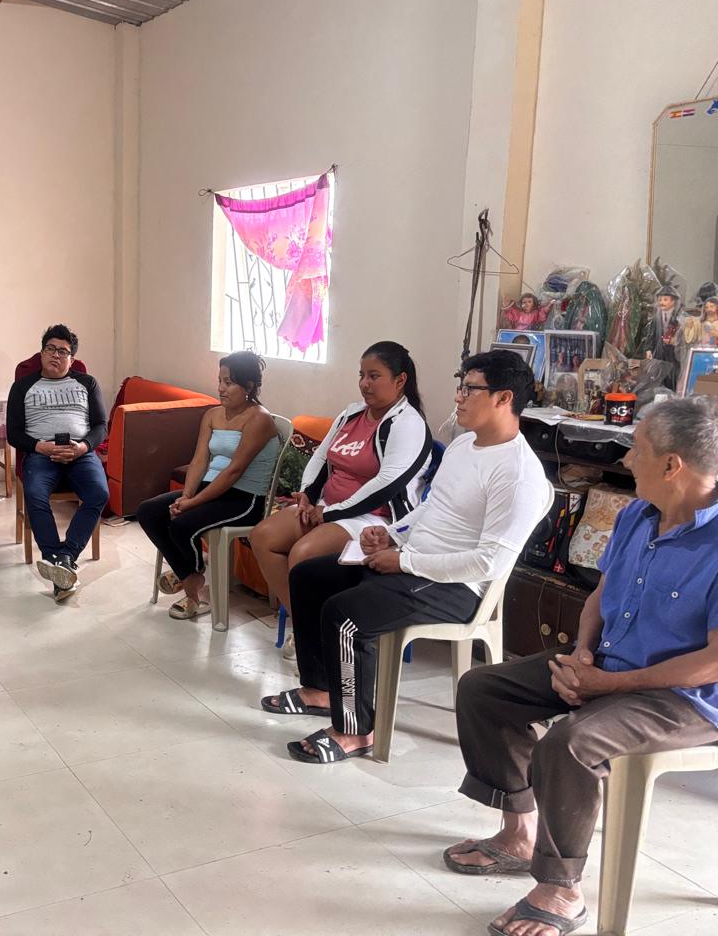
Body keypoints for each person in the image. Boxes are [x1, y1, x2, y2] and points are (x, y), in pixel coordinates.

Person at [442, 395, 718, 936]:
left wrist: (608, 683)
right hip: (610, 663)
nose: (626, 460)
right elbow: (601, 595)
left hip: (686, 698)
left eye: (636, 450)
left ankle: (561, 889)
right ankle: (518, 835)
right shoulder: (637, 515)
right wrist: (583, 654)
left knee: (569, 742)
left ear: (672, 465)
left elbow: (711, 663)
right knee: (484, 689)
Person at [263, 350, 550, 762]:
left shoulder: (518, 473)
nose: (458, 397)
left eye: (470, 389)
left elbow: (489, 563)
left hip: (456, 586)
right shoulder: (464, 445)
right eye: (460, 386)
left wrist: (403, 562)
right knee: (309, 576)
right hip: (415, 562)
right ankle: (321, 690)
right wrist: (391, 535)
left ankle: (355, 731)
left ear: (504, 398)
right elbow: (431, 508)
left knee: (345, 615)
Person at [248, 341, 431, 627]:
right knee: (263, 537)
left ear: (400, 380)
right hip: (328, 508)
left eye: (374, 376)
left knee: (303, 555)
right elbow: (322, 457)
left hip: (372, 518)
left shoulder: (408, 424)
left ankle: (314, 632)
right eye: (361, 375)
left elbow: (386, 485)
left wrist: (329, 513)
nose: (364, 384)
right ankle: (307, 626)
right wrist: (307, 496)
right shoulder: (352, 414)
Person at [135, 352, 279, 620]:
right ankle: (190, 575)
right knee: (148, 511)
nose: (221, 388)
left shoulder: (259, 419)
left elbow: (234, 472)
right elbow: (199, 460)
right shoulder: (212, 415)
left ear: (248, 386)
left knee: (181, 524)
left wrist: (192, 504)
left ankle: (192, 586)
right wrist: (187, 495)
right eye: (220, 381)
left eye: (229, 382)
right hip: (209, 491)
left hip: (243, 500)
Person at [6, 324, 109, 601]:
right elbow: (13, 433)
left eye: (63, 351)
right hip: (41, 454)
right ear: (41, 353)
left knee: (99, 493)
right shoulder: (22, 386)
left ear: (72, 359)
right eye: (50, 349)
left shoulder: (87, 383)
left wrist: (83, 447)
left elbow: (101, 426)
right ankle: (54, 557)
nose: (55, 355)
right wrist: (39, 446)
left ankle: (65, 558)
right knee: (35, 494)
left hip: (80, 453)